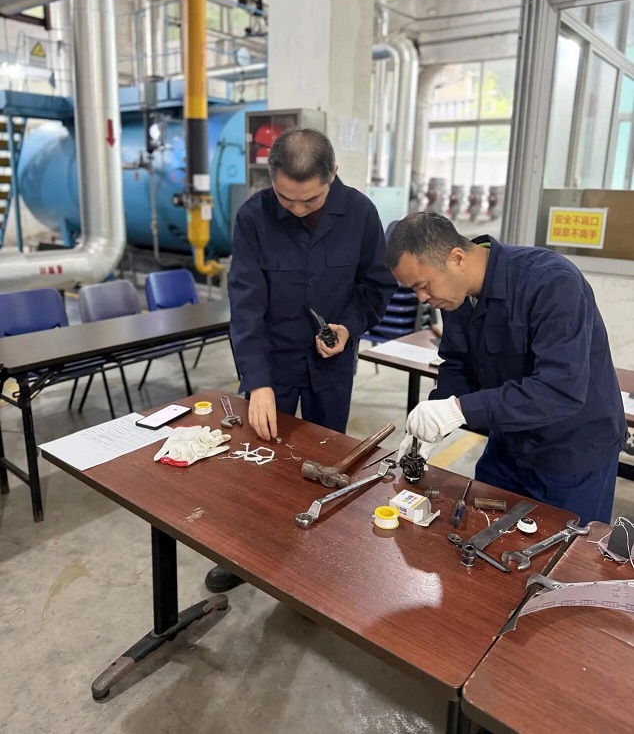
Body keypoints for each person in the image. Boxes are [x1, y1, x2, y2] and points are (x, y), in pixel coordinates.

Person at [205, 128, 396, 593]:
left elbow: (376, 287)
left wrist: (349, 327)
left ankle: (317, 562)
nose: (296, 209)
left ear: (333, 175)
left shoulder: (361, 214)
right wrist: (258, 382)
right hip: (272, 366)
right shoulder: (253, 217)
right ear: (272, 178)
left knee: (329, 462)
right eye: (285, 198)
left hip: (331, 367)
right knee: (259, 462)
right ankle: (250, 552)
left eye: (309, 200)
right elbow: (245, 305)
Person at [386, 212, 627, 525]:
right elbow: (458, 363)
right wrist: (435, 421)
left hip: (571, 454)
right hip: (509, 441)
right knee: (479, 533)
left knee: (564, 550)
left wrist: (459, 410)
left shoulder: (552, 282)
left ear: (456, 258)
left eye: (424, 286)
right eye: (413, 290)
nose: (422, 299)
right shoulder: (456, 294)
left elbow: (560, 390)